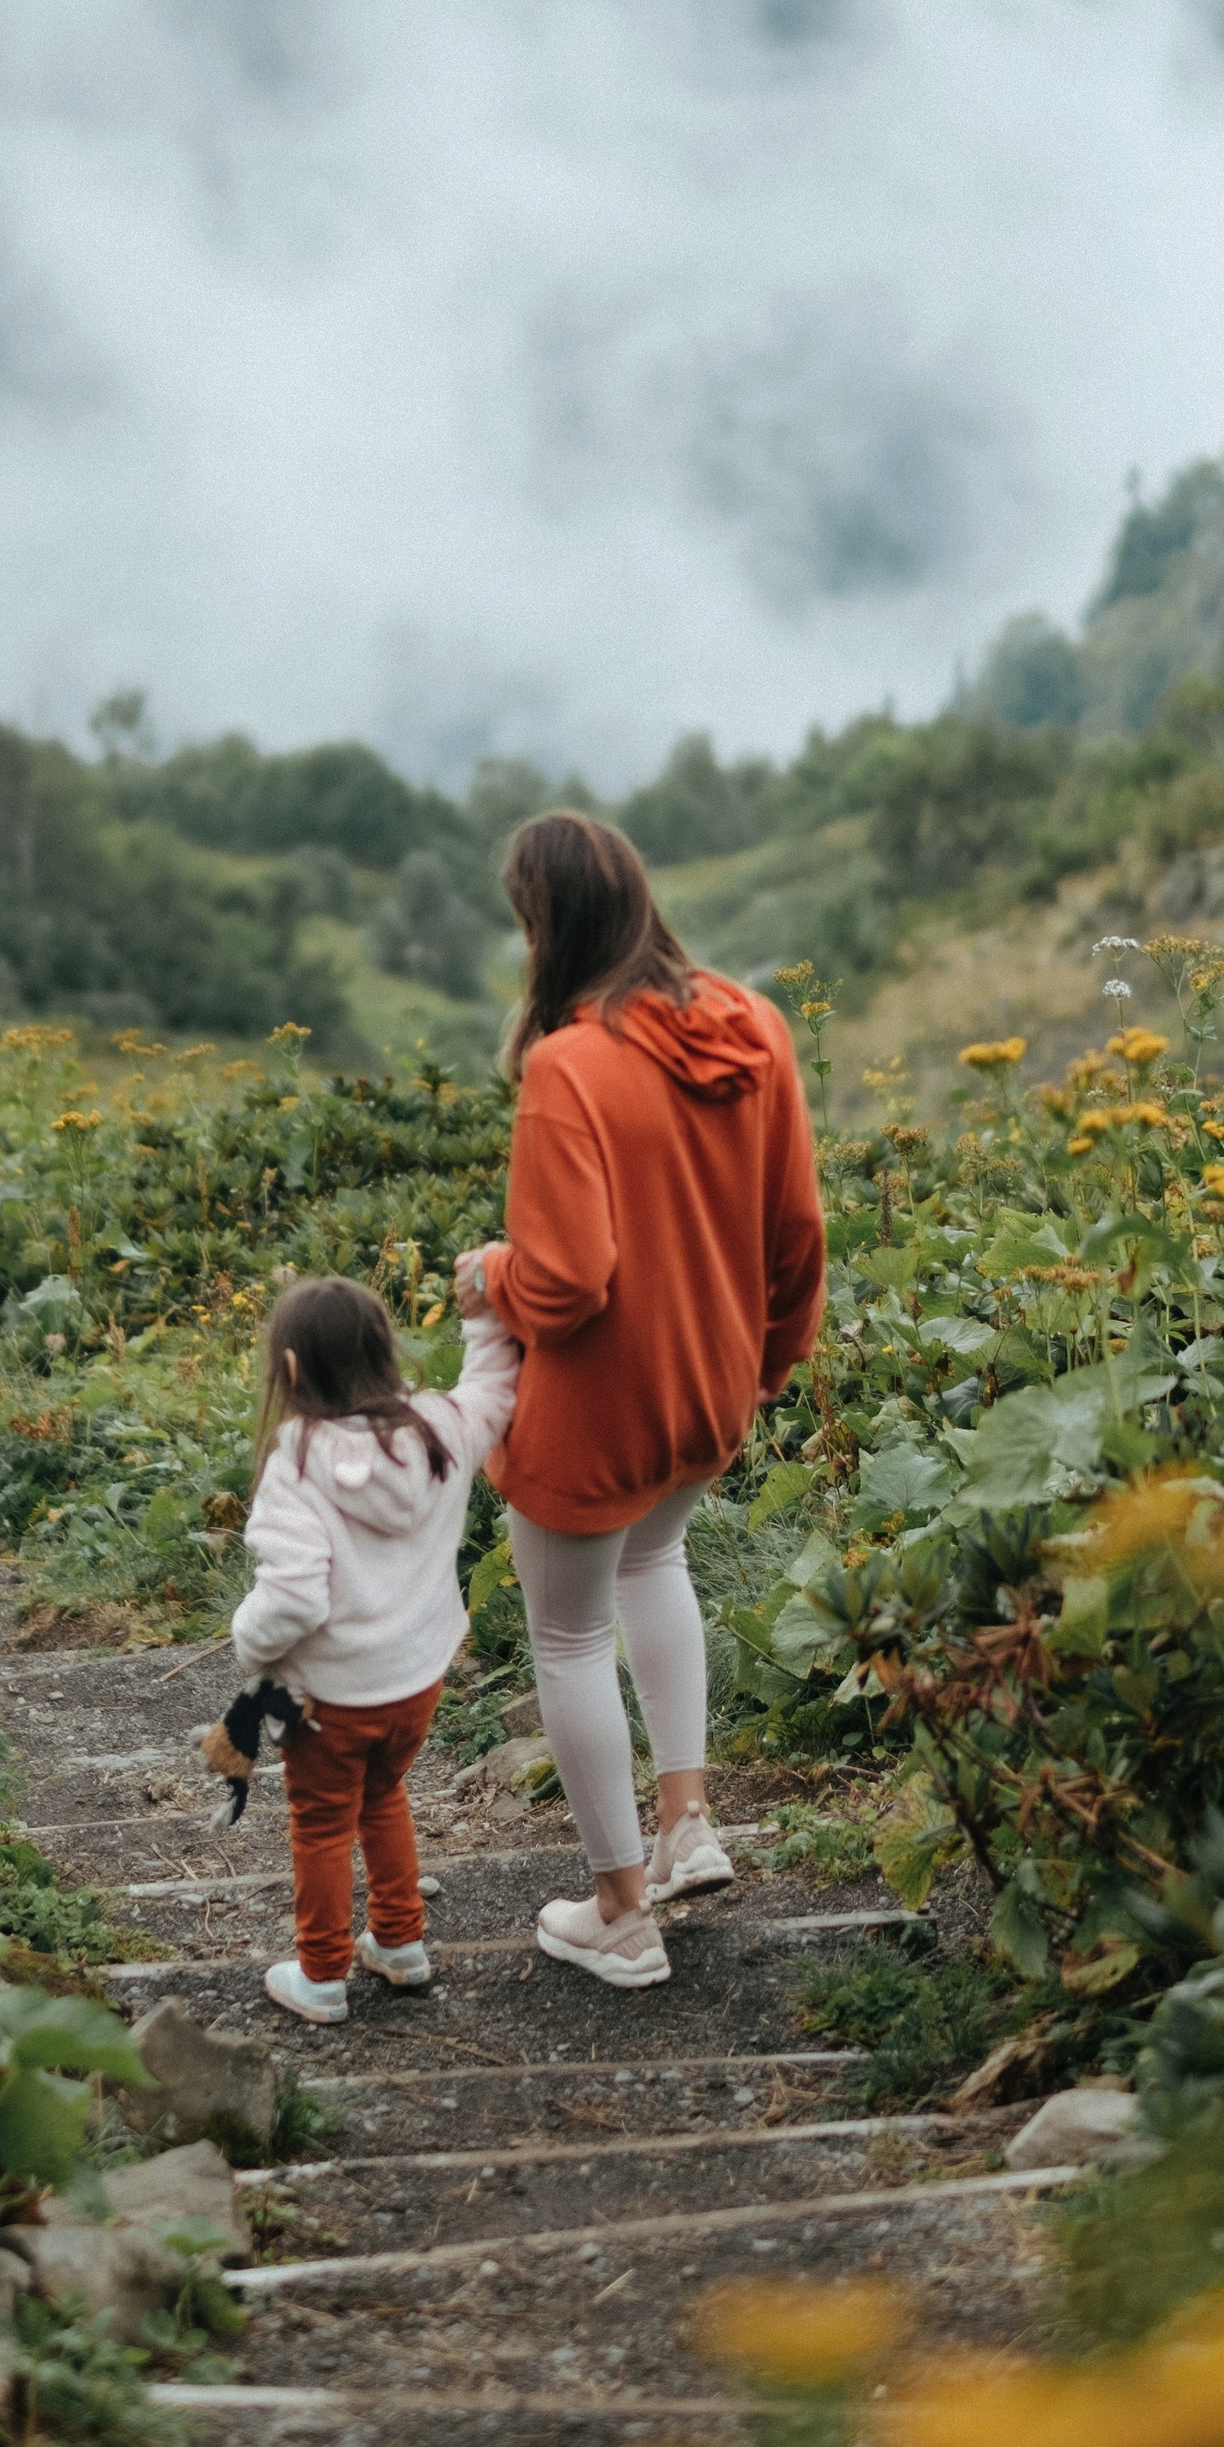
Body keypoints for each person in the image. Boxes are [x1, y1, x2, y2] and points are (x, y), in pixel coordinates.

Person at [459, 813, 825, 1990]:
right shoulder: (751, 1026)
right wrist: (758, 1372)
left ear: (542, 923)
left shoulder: (569, 1063)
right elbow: (797, 1235)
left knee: (566, 1636)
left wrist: (485, 1275)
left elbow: (563, 1285)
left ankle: (619, 1911)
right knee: (653, 1569)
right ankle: (684, 1825)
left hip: (594, 1411)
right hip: (704, 1396)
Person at [224, 1272, 518, 2025]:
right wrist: (482, 1316)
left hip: (330, 1697)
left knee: (321, 1824)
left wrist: (247, 1643)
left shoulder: (297, 1459)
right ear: (385, 1350)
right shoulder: (440, 1426)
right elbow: (492, 1387)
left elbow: (293, 1597)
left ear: (290, 1371)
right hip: (415, 1685)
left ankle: (321, 1975)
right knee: (383, 1795)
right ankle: (399, 1940)